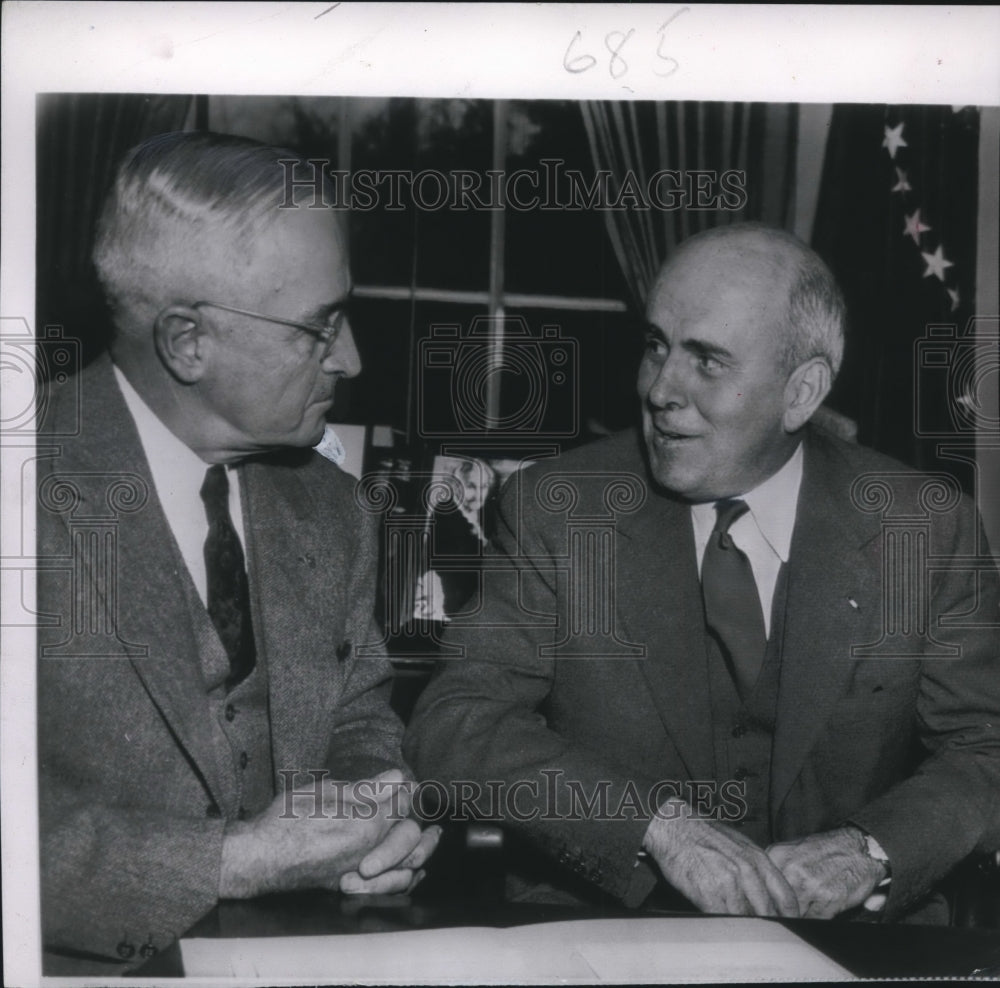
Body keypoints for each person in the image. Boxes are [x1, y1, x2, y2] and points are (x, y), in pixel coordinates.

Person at [405, 223, 1000, 923]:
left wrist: (870, 850)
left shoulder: (923, 526)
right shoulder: (558, 509)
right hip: (610, 934)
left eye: (707, 361)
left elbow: (987, 748)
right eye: (656, 345)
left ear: (802, 392)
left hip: (857, 940)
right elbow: (455, 724)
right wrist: (657, 828)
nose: (660, 390)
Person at [36, 132, 439, 975]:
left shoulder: (330, 508)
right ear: (187, 342)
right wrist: (235, 861)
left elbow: (362, 718)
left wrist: (370, 808)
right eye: (318, 327)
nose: (353, 358)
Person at [414, 458, 498, 622]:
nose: (480, 495)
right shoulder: (446, 515)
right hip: (454, 607)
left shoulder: (485, 515)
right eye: (472, 486)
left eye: (484, 487)